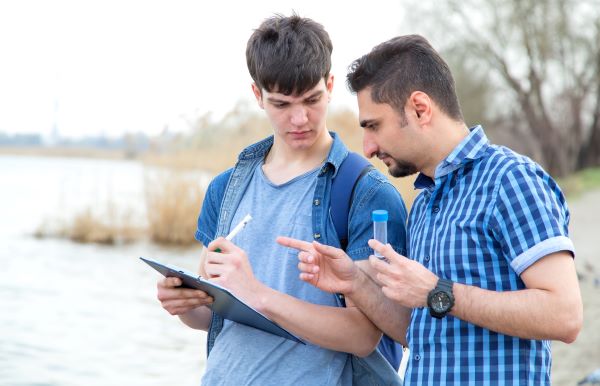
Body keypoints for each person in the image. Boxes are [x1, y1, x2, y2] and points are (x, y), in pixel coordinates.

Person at [278, 34, 583, 385]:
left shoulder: (510, 180)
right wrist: (354, 283)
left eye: (374, 125)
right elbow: (421, 332)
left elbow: (565, 315)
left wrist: (438, 292)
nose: (368, 147)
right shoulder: (423, 203)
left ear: (420, 109)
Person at [155, 14, 408, 385]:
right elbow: (215, 317)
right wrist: (184, 305)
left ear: (331, 84)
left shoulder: (366, 194)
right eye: (281, 104)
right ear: (257, 95)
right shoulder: (225, 189)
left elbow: (364, 335)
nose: (300, 118)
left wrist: (258, 294)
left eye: (312, 99)